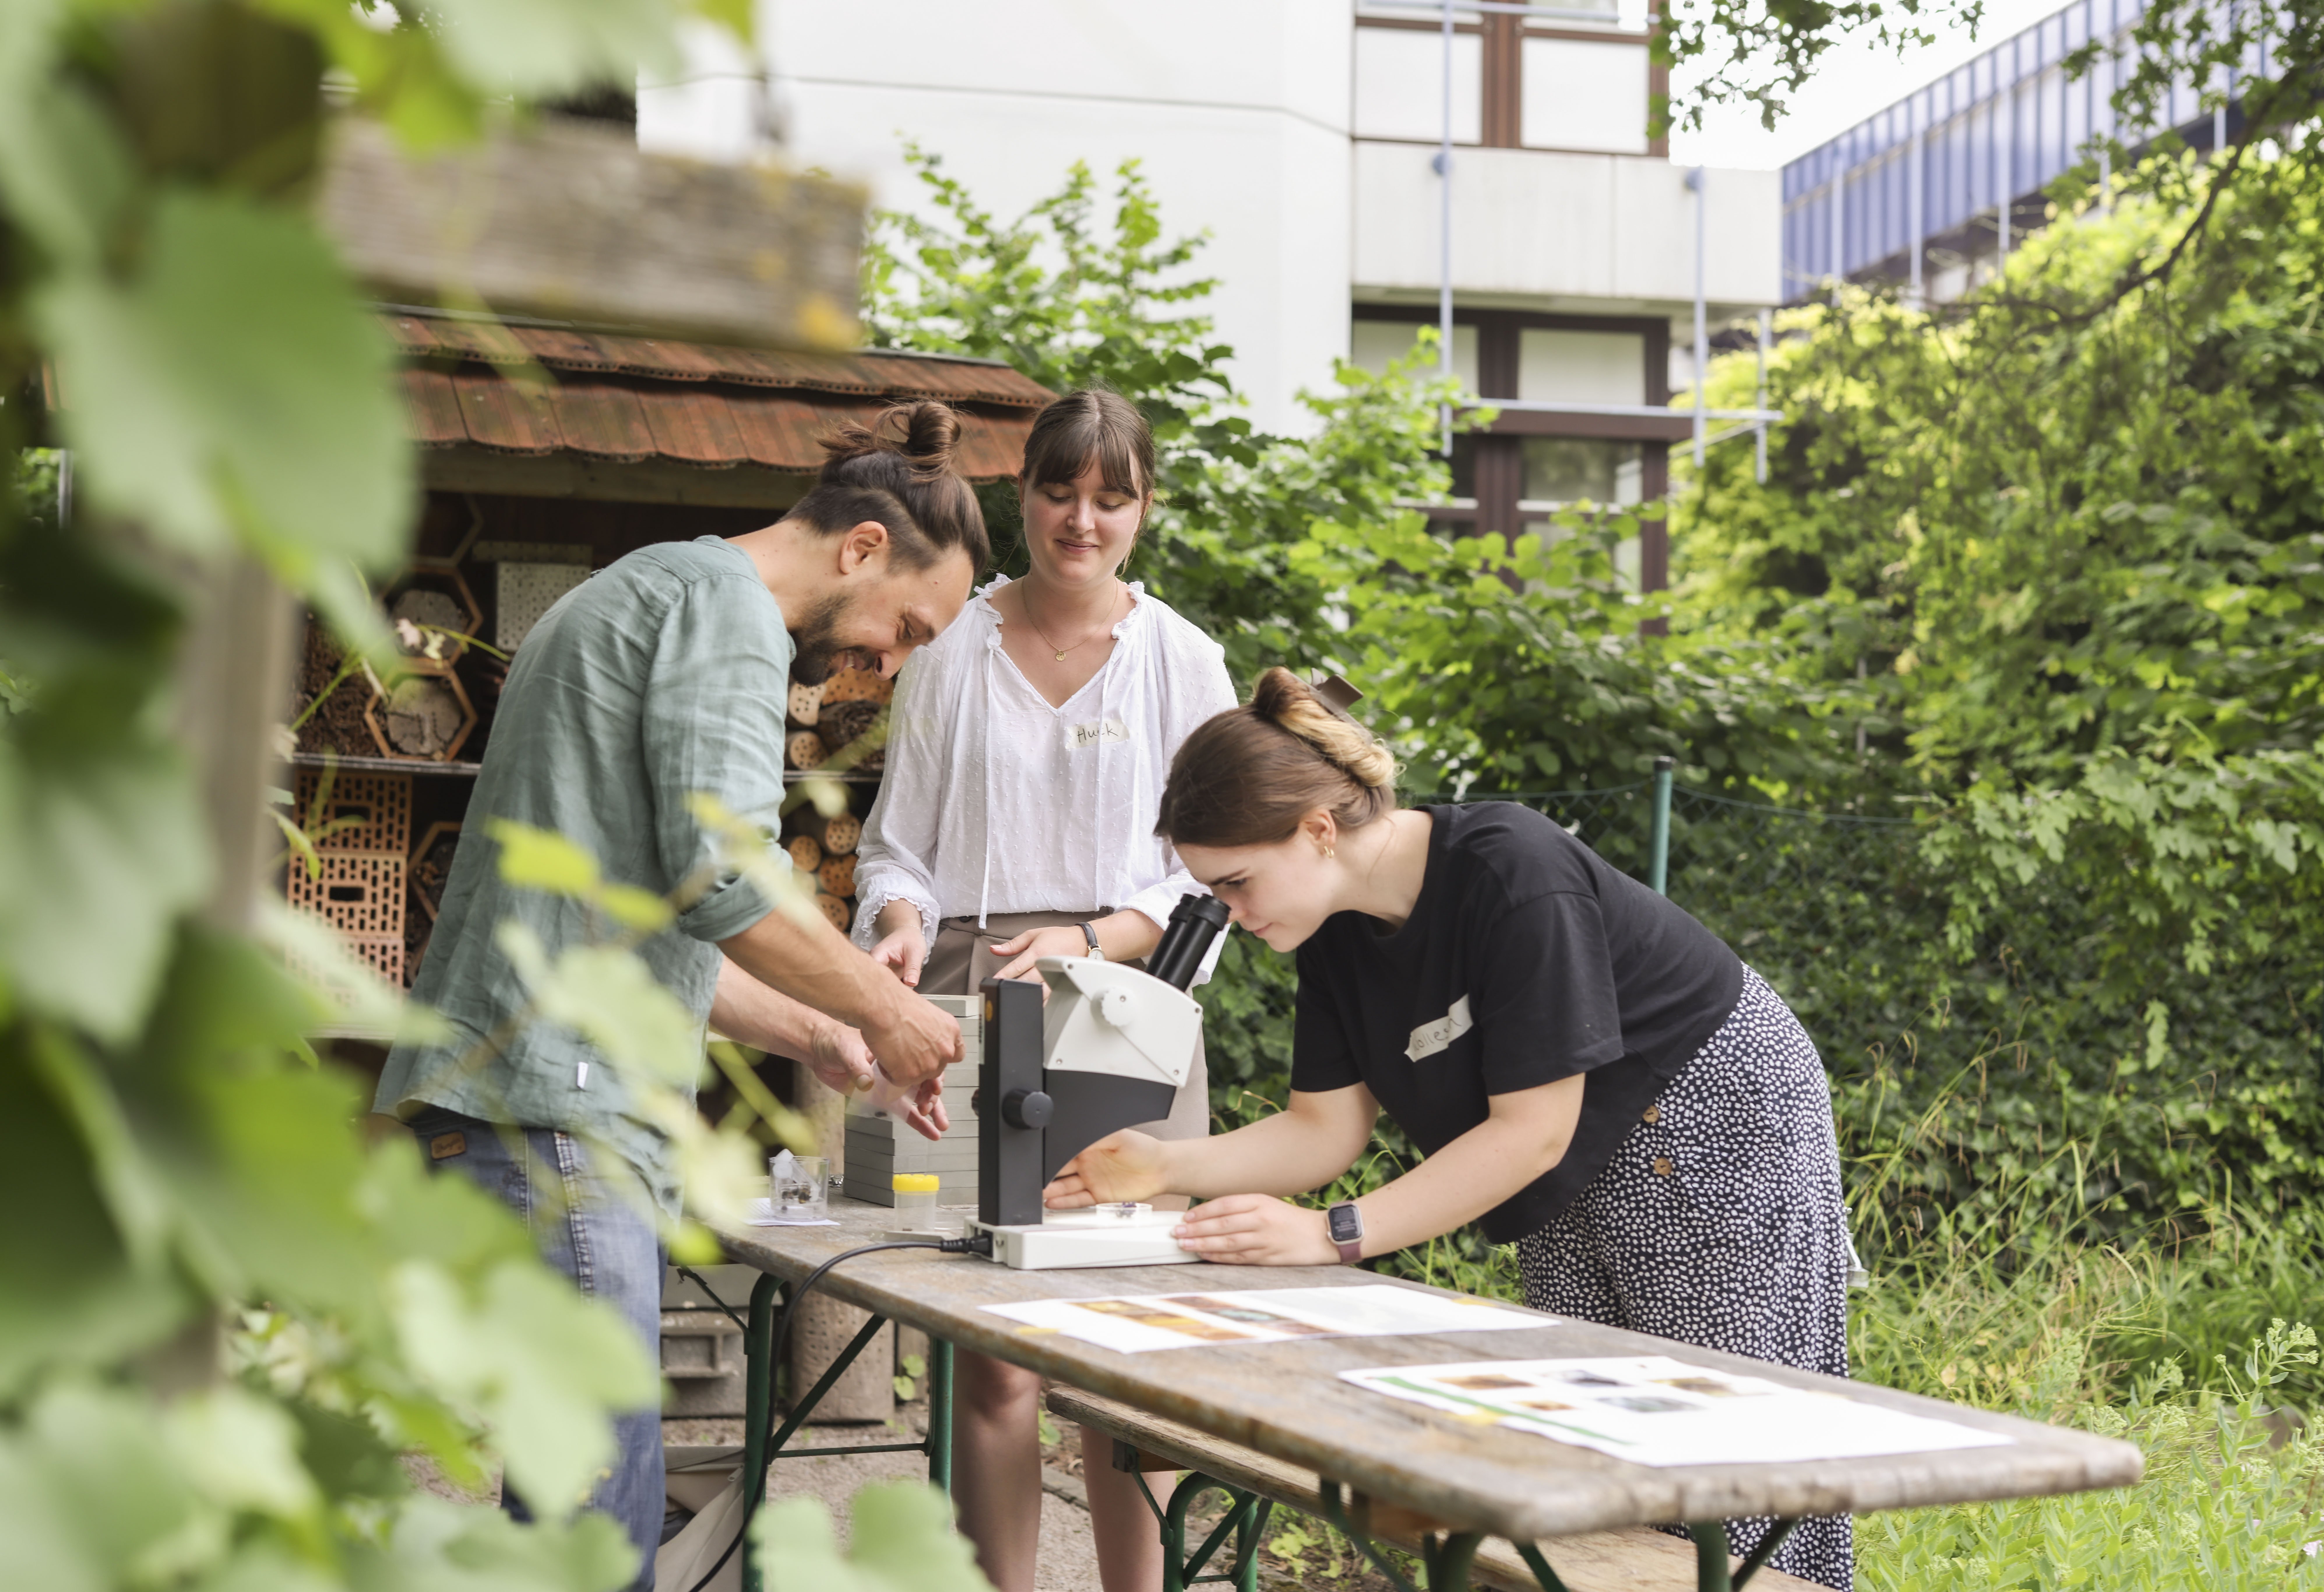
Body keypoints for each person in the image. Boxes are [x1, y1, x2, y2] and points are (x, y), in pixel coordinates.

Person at [1045, 669, 1858, 1592]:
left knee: (1724, 1441)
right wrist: (1162, 1165)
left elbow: (1533, 1133)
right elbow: (1324, 1131)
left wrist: (1332, 1235)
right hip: (1568, 1153)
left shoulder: (1512, 868)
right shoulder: (1332, 929)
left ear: (1317, 830)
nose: (1228, 912)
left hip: (1713, 1104)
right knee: (1593, 1442)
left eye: (1235, 882)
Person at [376, 402, 984, 1591]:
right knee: (600, 1527)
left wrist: (819, 1030)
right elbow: (725, 880)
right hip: (557, 1117)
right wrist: (886, 1011)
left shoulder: (650, 591)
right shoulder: (729, 617)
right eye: (905, 626)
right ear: (861, 546)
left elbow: (640, 922)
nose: (889, 659)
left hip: (517, 1103)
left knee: (568, 1510)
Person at [851, 389, 1237, 1592]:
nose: (1081, 520)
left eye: (1109, 498)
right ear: (1022, 493)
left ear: (1143, 509)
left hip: (1129, 997)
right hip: (971, 993)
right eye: (1059, 492)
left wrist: (1098, 932)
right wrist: (903, 922)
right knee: (994, 1351)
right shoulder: (951, 642)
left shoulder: (1182, 660)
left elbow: (1218, 867)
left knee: (1125, 1341)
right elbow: (892, 847)